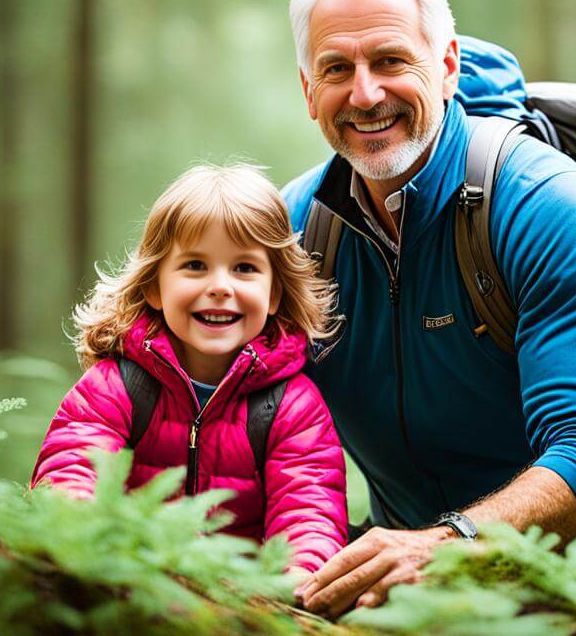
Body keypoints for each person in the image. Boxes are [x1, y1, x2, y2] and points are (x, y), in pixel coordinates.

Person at [281, 0, 576, 617]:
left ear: (448, 64)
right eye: (337, 69)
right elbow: (222, 402)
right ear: (309, 90)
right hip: (418, 566)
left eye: (392, 60)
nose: (365, 94)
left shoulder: (541, 201)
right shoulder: (295, 232)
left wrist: (445, 546)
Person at [31, 163, 348, 575]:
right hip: (125, 581)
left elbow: (310, 512)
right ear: (154, 287)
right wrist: (80, 536)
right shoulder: (118, 385)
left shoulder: (292, 405)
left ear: (275, 294)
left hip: (241, 606)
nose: (220, 286)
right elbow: (71, 465)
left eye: (245, 268)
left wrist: (298, 579)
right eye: (195, 265)